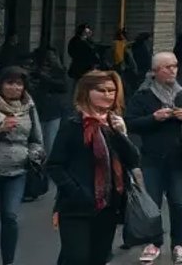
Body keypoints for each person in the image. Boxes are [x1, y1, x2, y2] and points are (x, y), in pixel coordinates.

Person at [46, 70, 140, 265]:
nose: (108, 95)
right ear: (86, 91)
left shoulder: (113, 123)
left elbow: (133, 160)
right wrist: (76, 191)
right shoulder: (73, 124)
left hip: (108, 206)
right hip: (76, 207)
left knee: (98, 258)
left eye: (112, 90)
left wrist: (121, 133)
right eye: (102, 90)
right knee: (76, 258)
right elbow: (55, 165)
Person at [125, 52, 182, 264]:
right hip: (151, 158)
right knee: (153, 203)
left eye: (174, 66)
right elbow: (131, 123)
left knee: (178, 203)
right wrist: (153, 118)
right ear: (154, 72)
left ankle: (179, 244)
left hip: (180, 158)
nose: (172, 70)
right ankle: (154, 242)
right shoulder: (142, 96)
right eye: (166, 67)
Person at [0, 66, 45, 265]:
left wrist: (32, 155)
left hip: (16, 170)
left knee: (10, 216)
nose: (15, 88)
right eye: (10, 83)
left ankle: (8, 261)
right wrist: (0, 128)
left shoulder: (28, 106)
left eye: (19, 84)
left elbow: (36, 138)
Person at [25, 46, 70, 173]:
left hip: (52, 112)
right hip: (36, 111)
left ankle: (45, 170)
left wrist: (44, 77)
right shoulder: (33, 71)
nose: (49, 61)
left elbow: (63, 87)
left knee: (49, 143)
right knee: (36, 142)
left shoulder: (58, 72)